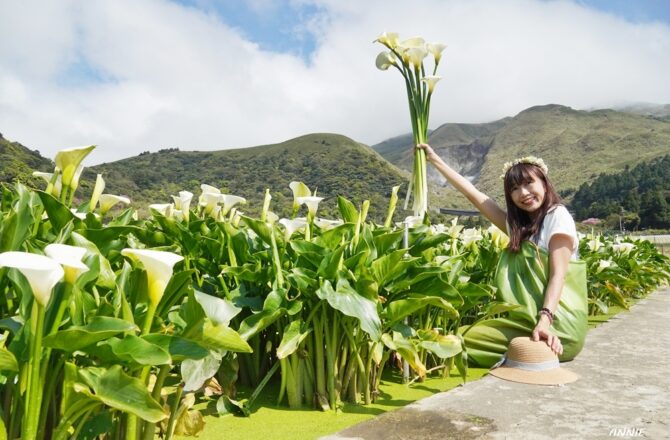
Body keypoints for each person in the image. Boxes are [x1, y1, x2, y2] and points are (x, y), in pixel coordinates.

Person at [417, 143, 588, 368]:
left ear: (544, 182)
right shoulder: (520, 228)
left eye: (529, 183)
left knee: (461, 342)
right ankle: (516, 356)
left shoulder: (558, 216)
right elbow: (475, 197)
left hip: (558, 326)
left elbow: (558, 276)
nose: (523, 193)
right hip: (528, 322)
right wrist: (434, 159)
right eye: (514, 189)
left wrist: (545, 320)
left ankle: (524, 355)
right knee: (458, 336)